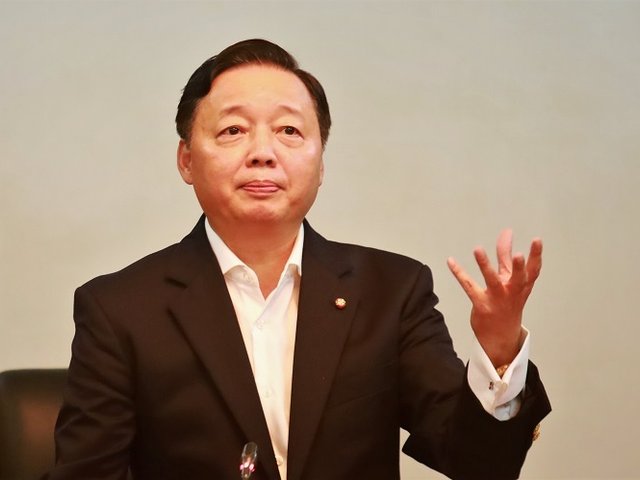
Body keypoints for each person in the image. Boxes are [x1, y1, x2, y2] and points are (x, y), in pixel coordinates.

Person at [48, 39, 550, 480]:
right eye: (233, 131)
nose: (263, 153)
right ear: (186, 160)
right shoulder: (120, 309)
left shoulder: (390, 290)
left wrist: (499, 349)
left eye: (289, 131)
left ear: (321, 163)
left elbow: (479, 464)